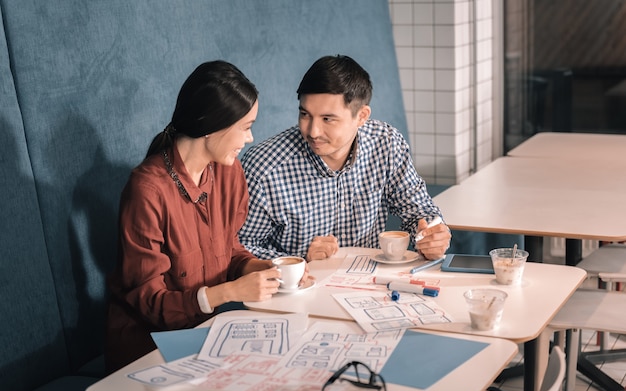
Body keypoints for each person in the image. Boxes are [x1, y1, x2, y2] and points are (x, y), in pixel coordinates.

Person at [105, 61, 306, 373]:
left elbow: (230, 250)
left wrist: (264, 269)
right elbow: (149, 301)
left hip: (207, 337)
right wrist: (227, 292)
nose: (250, 138)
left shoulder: (229, 173)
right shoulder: (147, 190)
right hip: (148, 351)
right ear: (213, 125)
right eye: (246, 126)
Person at [239, 55, 451, 262]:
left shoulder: (386, 144)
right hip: (296, 292)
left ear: (361, 117)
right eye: (305, 114)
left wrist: (432, 236)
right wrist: (299, 260)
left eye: (327, 119)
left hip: (368, 285)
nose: (313, 131)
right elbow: (241, 247)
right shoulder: (264, 168)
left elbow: (418, 212)